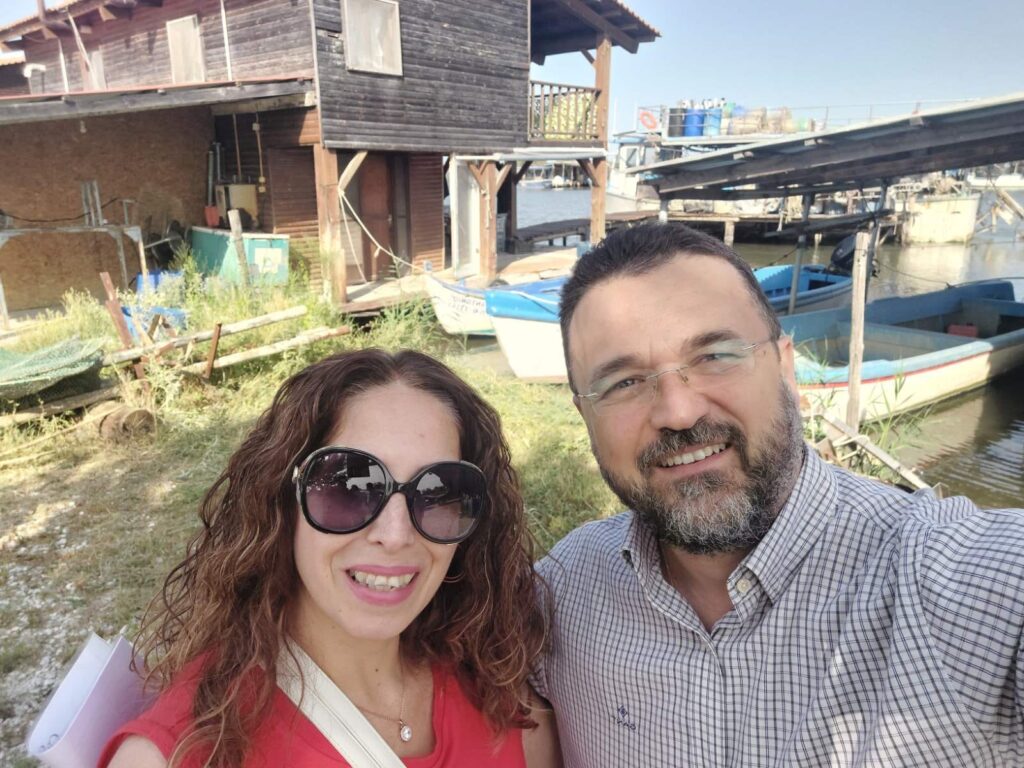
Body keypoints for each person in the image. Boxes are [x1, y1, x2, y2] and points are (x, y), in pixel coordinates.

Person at [532, 222, 1024, 766]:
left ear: (787, 368)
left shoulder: (956, 582)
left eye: (715, 355)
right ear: (585, 416)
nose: (678, 411)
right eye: (624, 383)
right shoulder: (561, 593)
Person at [101, 349, 560, 767]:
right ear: (282, 500)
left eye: (439, 492)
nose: (395, 535)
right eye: (347, 486)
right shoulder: (182, 753)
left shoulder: (505, 701)